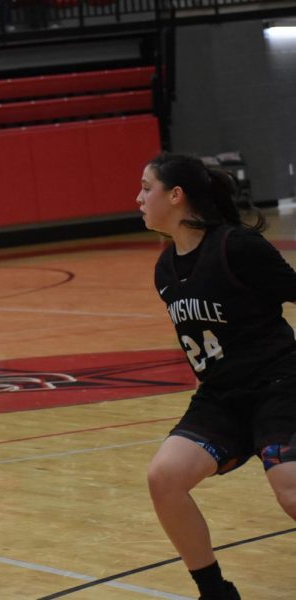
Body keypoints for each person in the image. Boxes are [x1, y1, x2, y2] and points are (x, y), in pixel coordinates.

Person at [138, 152, 296, 600]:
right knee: (163, 478)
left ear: (176, 194)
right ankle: (216, 592)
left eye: (146, 187)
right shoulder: (165, 268)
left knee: (291, 492)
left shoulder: (235, 247)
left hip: (279, 385)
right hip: (221, 397)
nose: (138, 198)